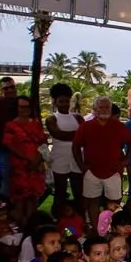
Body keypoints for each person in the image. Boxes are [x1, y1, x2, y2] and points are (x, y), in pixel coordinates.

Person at [74, 96, 131, 232]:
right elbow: (76, 146)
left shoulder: (119, 126)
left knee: (114, 203)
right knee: (92, 202)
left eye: (107, 107)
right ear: (95, 109)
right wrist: (81, 166)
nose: (104, 110)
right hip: (91, 171)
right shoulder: (86, 126)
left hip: (113, 171)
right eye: (101, 107)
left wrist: (126, 160)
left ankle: (113, 229)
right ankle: (97, 231)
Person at [2, 96, 47, 225]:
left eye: (27, 106)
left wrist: (37, 160)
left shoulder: (36, 123)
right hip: (20, 168)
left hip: (36, 168)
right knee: (20, 200)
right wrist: (29, 160)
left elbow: (42, 143)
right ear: (16, 108)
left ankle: (32, 226)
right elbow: (10, 145)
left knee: (33, 199)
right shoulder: (10, 125)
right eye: (22, 107)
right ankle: (20, 228)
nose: (25, 109)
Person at [46, 82, 84, 216]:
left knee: (79, 192)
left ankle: (80, 220)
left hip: (77, 158)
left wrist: (76, 136)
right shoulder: (51, 119)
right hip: (59, 158)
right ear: (55, 102)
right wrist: (76, 135)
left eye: (67, 101)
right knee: (60, 192)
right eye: (61, 101)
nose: (64, 104)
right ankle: (59, 219)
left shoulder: (77, 117)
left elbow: (84, 135)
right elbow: (58, 134)